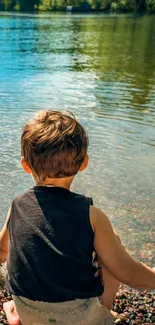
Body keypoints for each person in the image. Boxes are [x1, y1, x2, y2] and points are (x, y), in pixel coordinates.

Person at [0, 110, 155, 325]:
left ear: (25, 165)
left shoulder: (16, 206)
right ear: (84, 163)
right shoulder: (92, 215)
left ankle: (15, 313)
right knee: (113, 243)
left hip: (27, 309)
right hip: (78, 317)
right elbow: (127, 272)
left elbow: (2, 251)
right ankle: (103, 314)